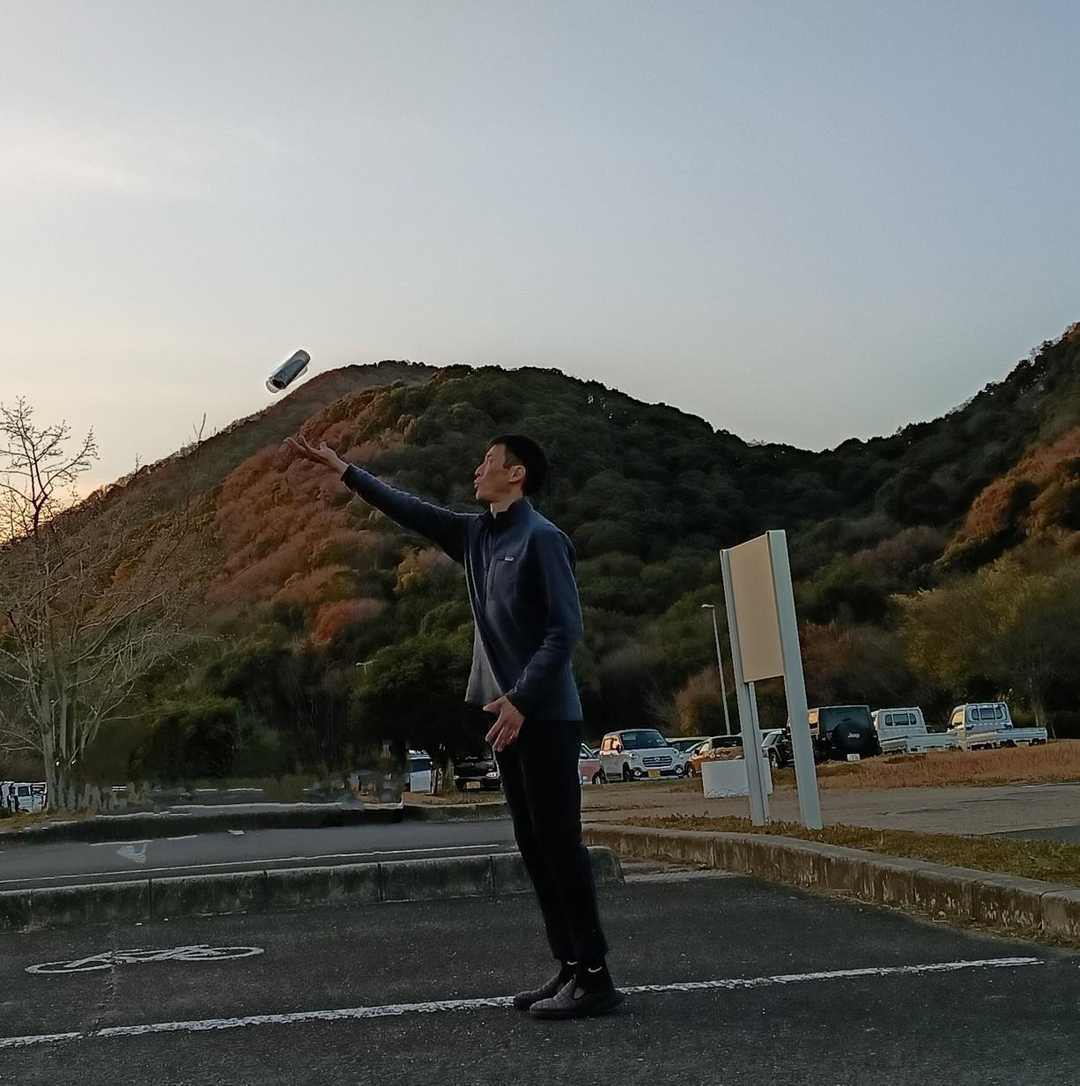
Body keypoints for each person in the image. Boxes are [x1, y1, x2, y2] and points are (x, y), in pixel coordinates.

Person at [285, 430, 623, 1019]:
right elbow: (410, 509)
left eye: (488, 461)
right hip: (505, 718)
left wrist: (522, 699)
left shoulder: (543, 539)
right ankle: (569, 965)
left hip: (544, 716)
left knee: (560, 845)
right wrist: (344, 469)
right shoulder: (476, 536)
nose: (476, 470)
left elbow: (564, 630)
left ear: (516, 474)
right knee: (533, 845)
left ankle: (596, 978)